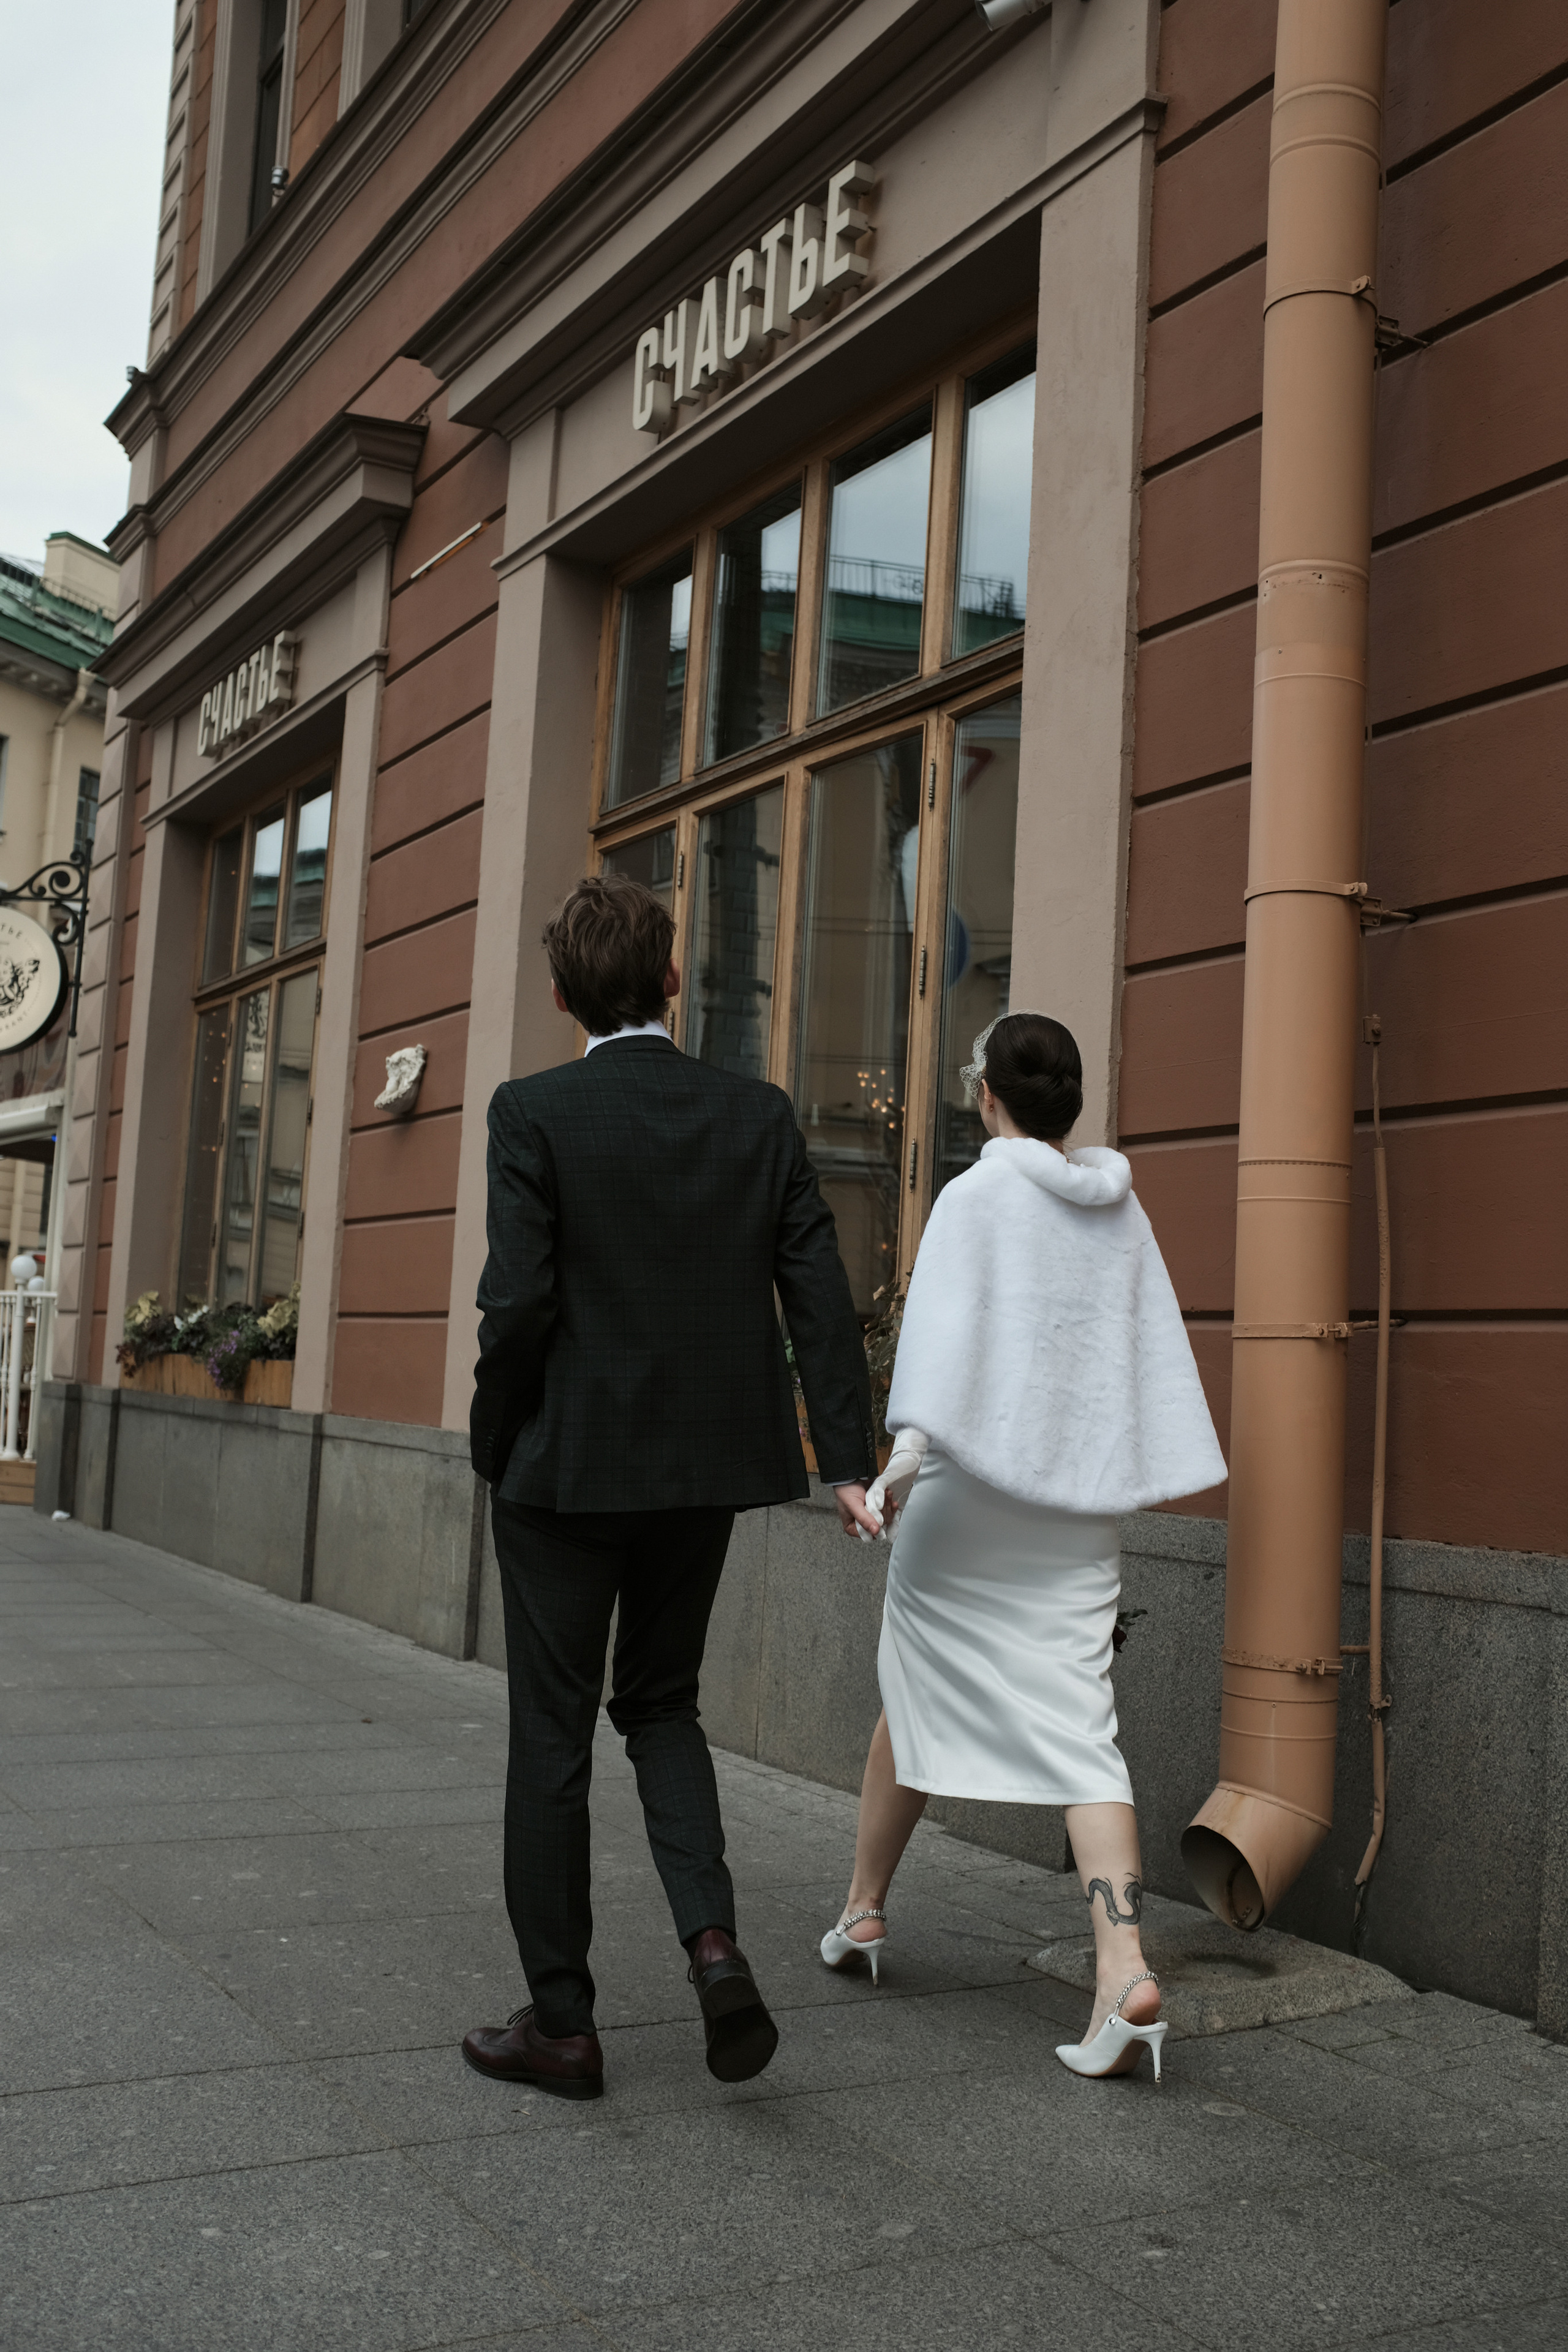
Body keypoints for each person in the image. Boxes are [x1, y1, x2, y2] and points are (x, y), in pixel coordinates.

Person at [464, 873, 878, 2101]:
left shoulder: (531, 1111)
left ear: (557, 995)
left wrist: (495, 1434)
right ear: (668, 982)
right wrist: (845, 1457)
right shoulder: (751, 1115)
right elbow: (818, 1294)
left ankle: (562, 2025)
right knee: (659, 1707)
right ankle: (710, 1945)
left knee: (550, 1731)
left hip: (561, 1469)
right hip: (696, 1470)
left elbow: (519, 1302)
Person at [820, 1012, 1226, 2082]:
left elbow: (943, 1370)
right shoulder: (1119, 1209)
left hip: (967, 1498)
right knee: (1082, 1728)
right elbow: (1125, 1367)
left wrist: (889, 1480)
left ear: (987, 1096)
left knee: (912, 1683)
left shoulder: (975, 1195)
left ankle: (864, 1912)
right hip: (1078, 1507)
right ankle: (1123, 1966)